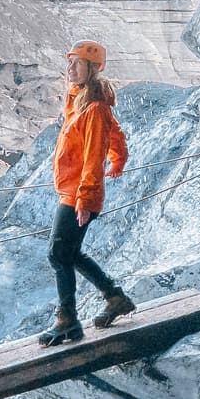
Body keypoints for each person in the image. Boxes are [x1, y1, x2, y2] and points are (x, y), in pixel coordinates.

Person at [40, 40, 133, 346]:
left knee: (58, 253)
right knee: (71, 253)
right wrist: (119, 158)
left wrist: (85, 197)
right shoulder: (83, 100)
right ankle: (115, 297)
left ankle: (67, 321)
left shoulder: (93, 107)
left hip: (79, 194)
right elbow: (114, 132)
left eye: (77, 63)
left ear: (92, 69)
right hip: (74, 190)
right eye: (70, 62)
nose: (70, 68)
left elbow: (94, 154)